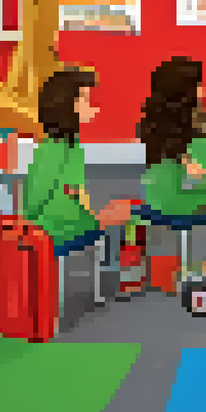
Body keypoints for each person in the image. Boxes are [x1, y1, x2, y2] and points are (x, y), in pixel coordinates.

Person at [137, 56, 206, 306]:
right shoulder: (194, 134)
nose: (204, 91)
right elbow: (202, 175)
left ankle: (183, 267)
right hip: (181, 202)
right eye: (199, 85)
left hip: (156, 200)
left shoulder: (155, 126)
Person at [24, 67, 133, 293]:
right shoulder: (60, 149)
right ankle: (116, 277)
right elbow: (37, 200)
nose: (92, 104)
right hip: (67, 226)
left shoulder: (64, 147)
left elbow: (48, 198)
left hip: (66, 225)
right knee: (123, 214)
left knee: (122, 212)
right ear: (66, 104)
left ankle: (113, 274)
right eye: (84, 98)